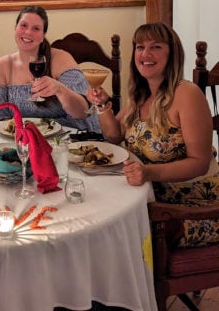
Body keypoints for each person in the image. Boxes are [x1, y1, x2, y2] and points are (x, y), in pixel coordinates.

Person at [91, 21, 219, 247]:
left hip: (192, 208)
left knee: (115, 235)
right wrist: (102, 105)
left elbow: (199, 163)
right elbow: (113, 136)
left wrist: (148, 172)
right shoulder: (141, 93)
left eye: (156, 47)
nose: (145, 54)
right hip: (152, 198)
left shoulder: (187, 94)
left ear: (172, 54)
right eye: (140, 47)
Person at [0, 5, 101, 132]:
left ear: (43, 35)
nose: (28, 32)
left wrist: (60, 90)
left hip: (66, 138)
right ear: (15, 28)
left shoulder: (61, 58)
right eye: (23, 25)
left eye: (36, 28)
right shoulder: (1, 66)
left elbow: (82, 113)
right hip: (20, 140)